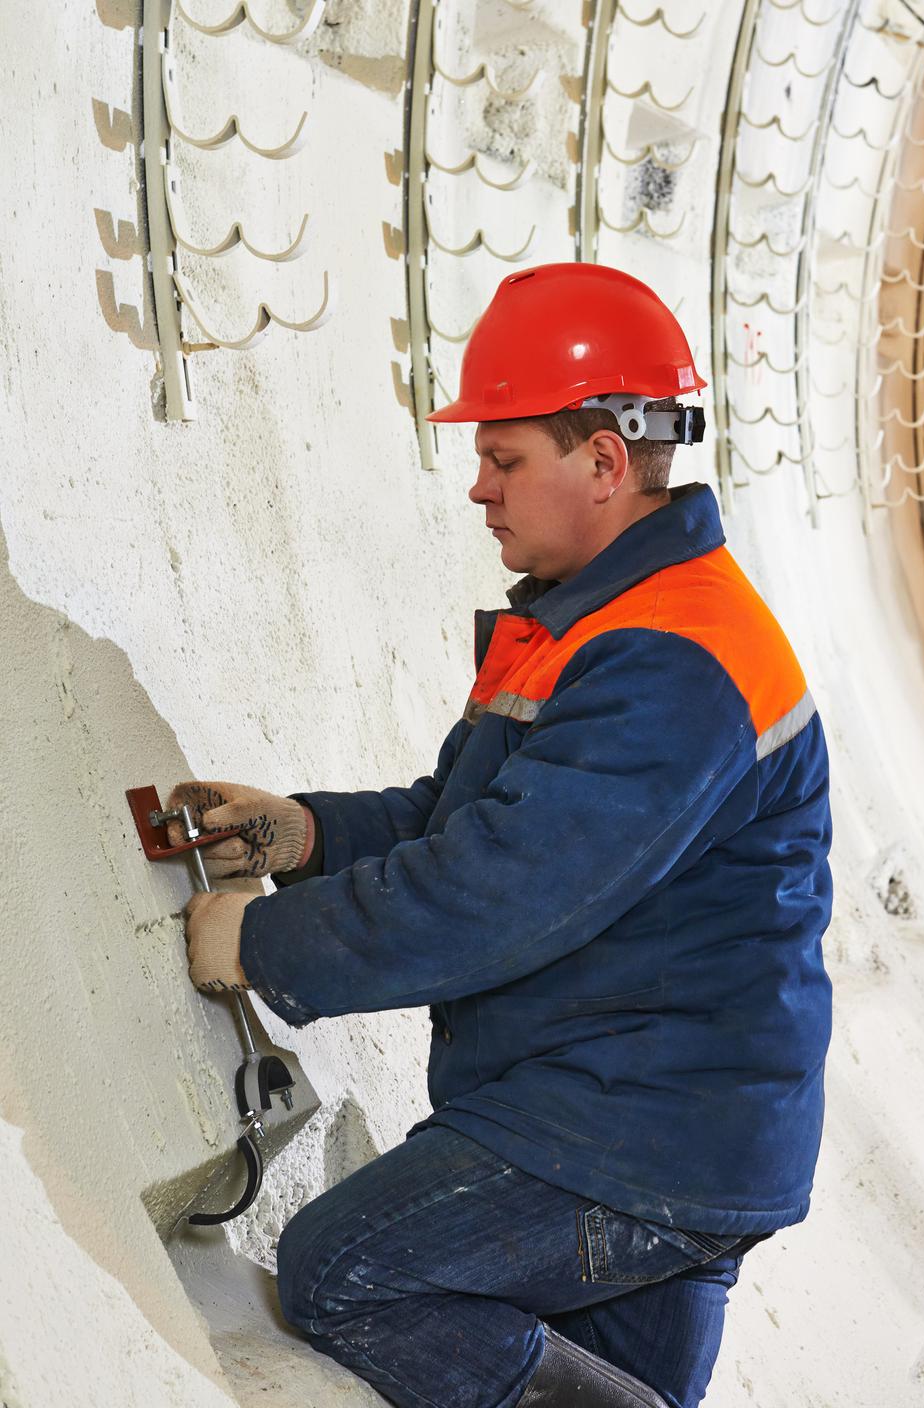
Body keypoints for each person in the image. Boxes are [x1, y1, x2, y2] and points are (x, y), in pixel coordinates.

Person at [168, 263, 834, 1407]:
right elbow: (461, 821)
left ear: (606, 461)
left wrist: (265, 947)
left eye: (504, 456)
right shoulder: (595, 618)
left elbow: (502, 889)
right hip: (660, 1115)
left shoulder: (677, 664)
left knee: (349, 1269)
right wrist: (302, 835)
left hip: (635, 1137)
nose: (479, 486)